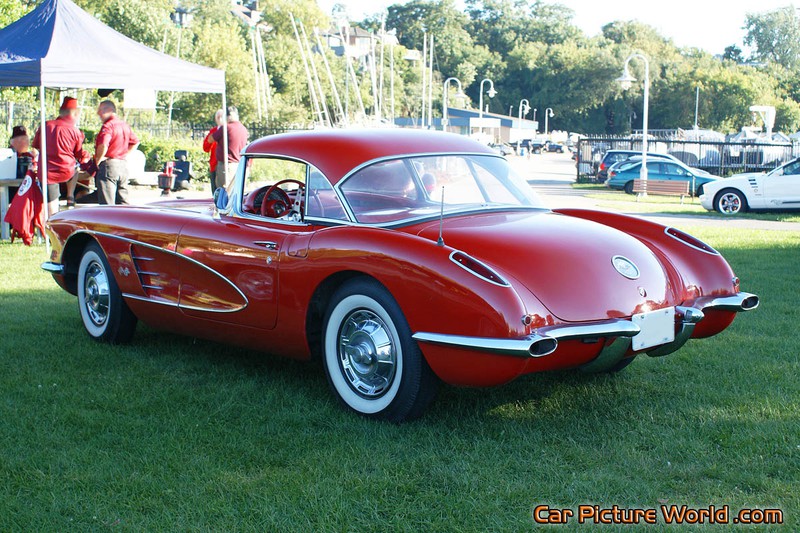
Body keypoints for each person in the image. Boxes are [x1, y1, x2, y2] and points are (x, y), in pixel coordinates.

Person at [32, 97, 89, 215]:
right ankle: (70, 195)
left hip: (47, 173)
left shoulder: (45, 126)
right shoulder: (75, 131)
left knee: (52, 211)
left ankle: (50, 229)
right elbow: (78, 154)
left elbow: (37, 145)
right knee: (75, 168)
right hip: (67, 172)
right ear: (74, 113)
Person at [94, 100, 139, 205]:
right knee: (123, 202)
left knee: (107, 204)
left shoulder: (108, 126)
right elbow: (135, 142)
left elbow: (103, 145)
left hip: (109, 166)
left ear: (109, 110)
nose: (98, 113)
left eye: (100, 110)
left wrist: (97, 161)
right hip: (122, 166)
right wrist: (123, 155)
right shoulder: (124, 125)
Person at [211, 106, 248, 192]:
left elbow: (211, 139)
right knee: (236, 191)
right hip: (239, 164)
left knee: (223, 192)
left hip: (227, 165)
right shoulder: (243, 128)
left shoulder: (226, 128)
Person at [7, 125, 37, 201]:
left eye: (26, 140)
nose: (25, 143)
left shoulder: (28, 156)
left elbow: (34, 167)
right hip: (10, 188)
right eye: (20, 141)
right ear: (13, 142)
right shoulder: (8, 154)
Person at [202, 109, 224, 194]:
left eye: (221, 116)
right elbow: (206, 147)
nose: (219, 119)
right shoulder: (213, 131)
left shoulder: (228, 130)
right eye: (218, 117)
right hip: (214, 164)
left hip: (225, 163)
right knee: (215, 191)